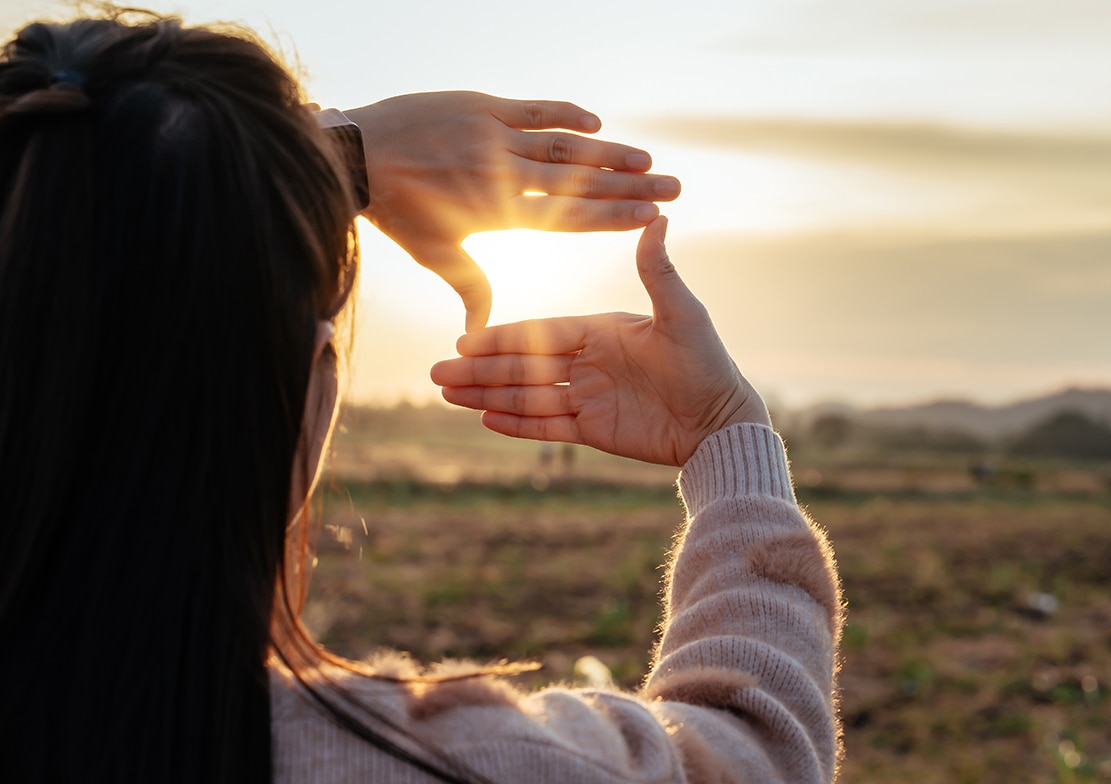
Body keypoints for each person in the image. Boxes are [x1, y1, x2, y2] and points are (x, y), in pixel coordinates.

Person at [0, 9, 842, 784]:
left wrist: (329, 156)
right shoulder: (428, 763)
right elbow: (754, 750)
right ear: (313, 376)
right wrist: (724, 436)